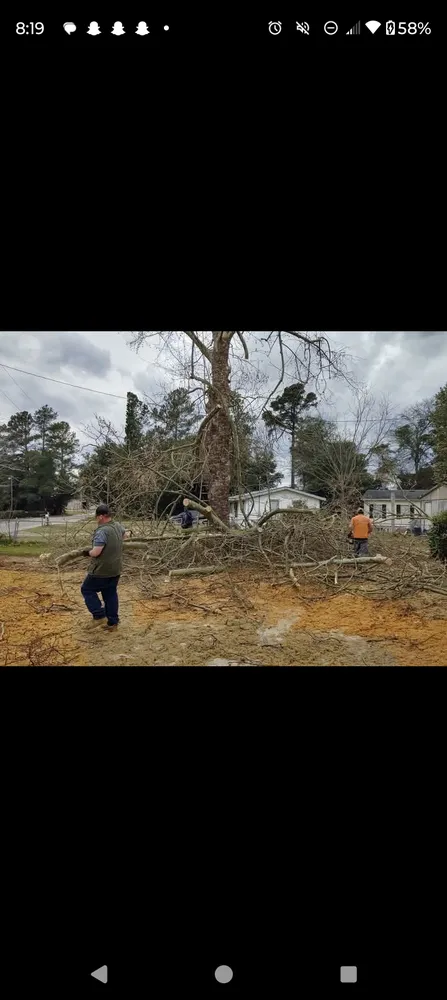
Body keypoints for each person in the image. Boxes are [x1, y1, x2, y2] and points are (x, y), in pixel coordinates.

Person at [80, 504, 130, 630]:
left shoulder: (102, 531)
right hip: (116, 568)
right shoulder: (117, 526)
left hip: (101, 570)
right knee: (110, 594)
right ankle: (113, 623)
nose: (97, 520)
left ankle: (99, 615)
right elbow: (126, 535)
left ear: (101, 516)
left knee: (87, 589)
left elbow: (96, 552)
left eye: (97, 517)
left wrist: (87, 552)